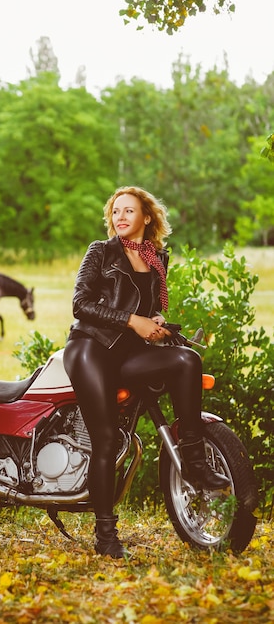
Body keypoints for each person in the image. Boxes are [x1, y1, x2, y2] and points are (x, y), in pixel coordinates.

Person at [63, 186, 229, 559]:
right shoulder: (101, 251)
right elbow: (81, 305)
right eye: (115, 212)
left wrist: (154, 321)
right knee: (105, 439)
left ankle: (194, 463)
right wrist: (133, 321)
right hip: (90, 348)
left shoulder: (156, 258)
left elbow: (145, 308)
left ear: (146, 217)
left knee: (187, 360)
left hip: (127, 353)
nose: (120, 217)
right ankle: (105, 535)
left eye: (128, 211)